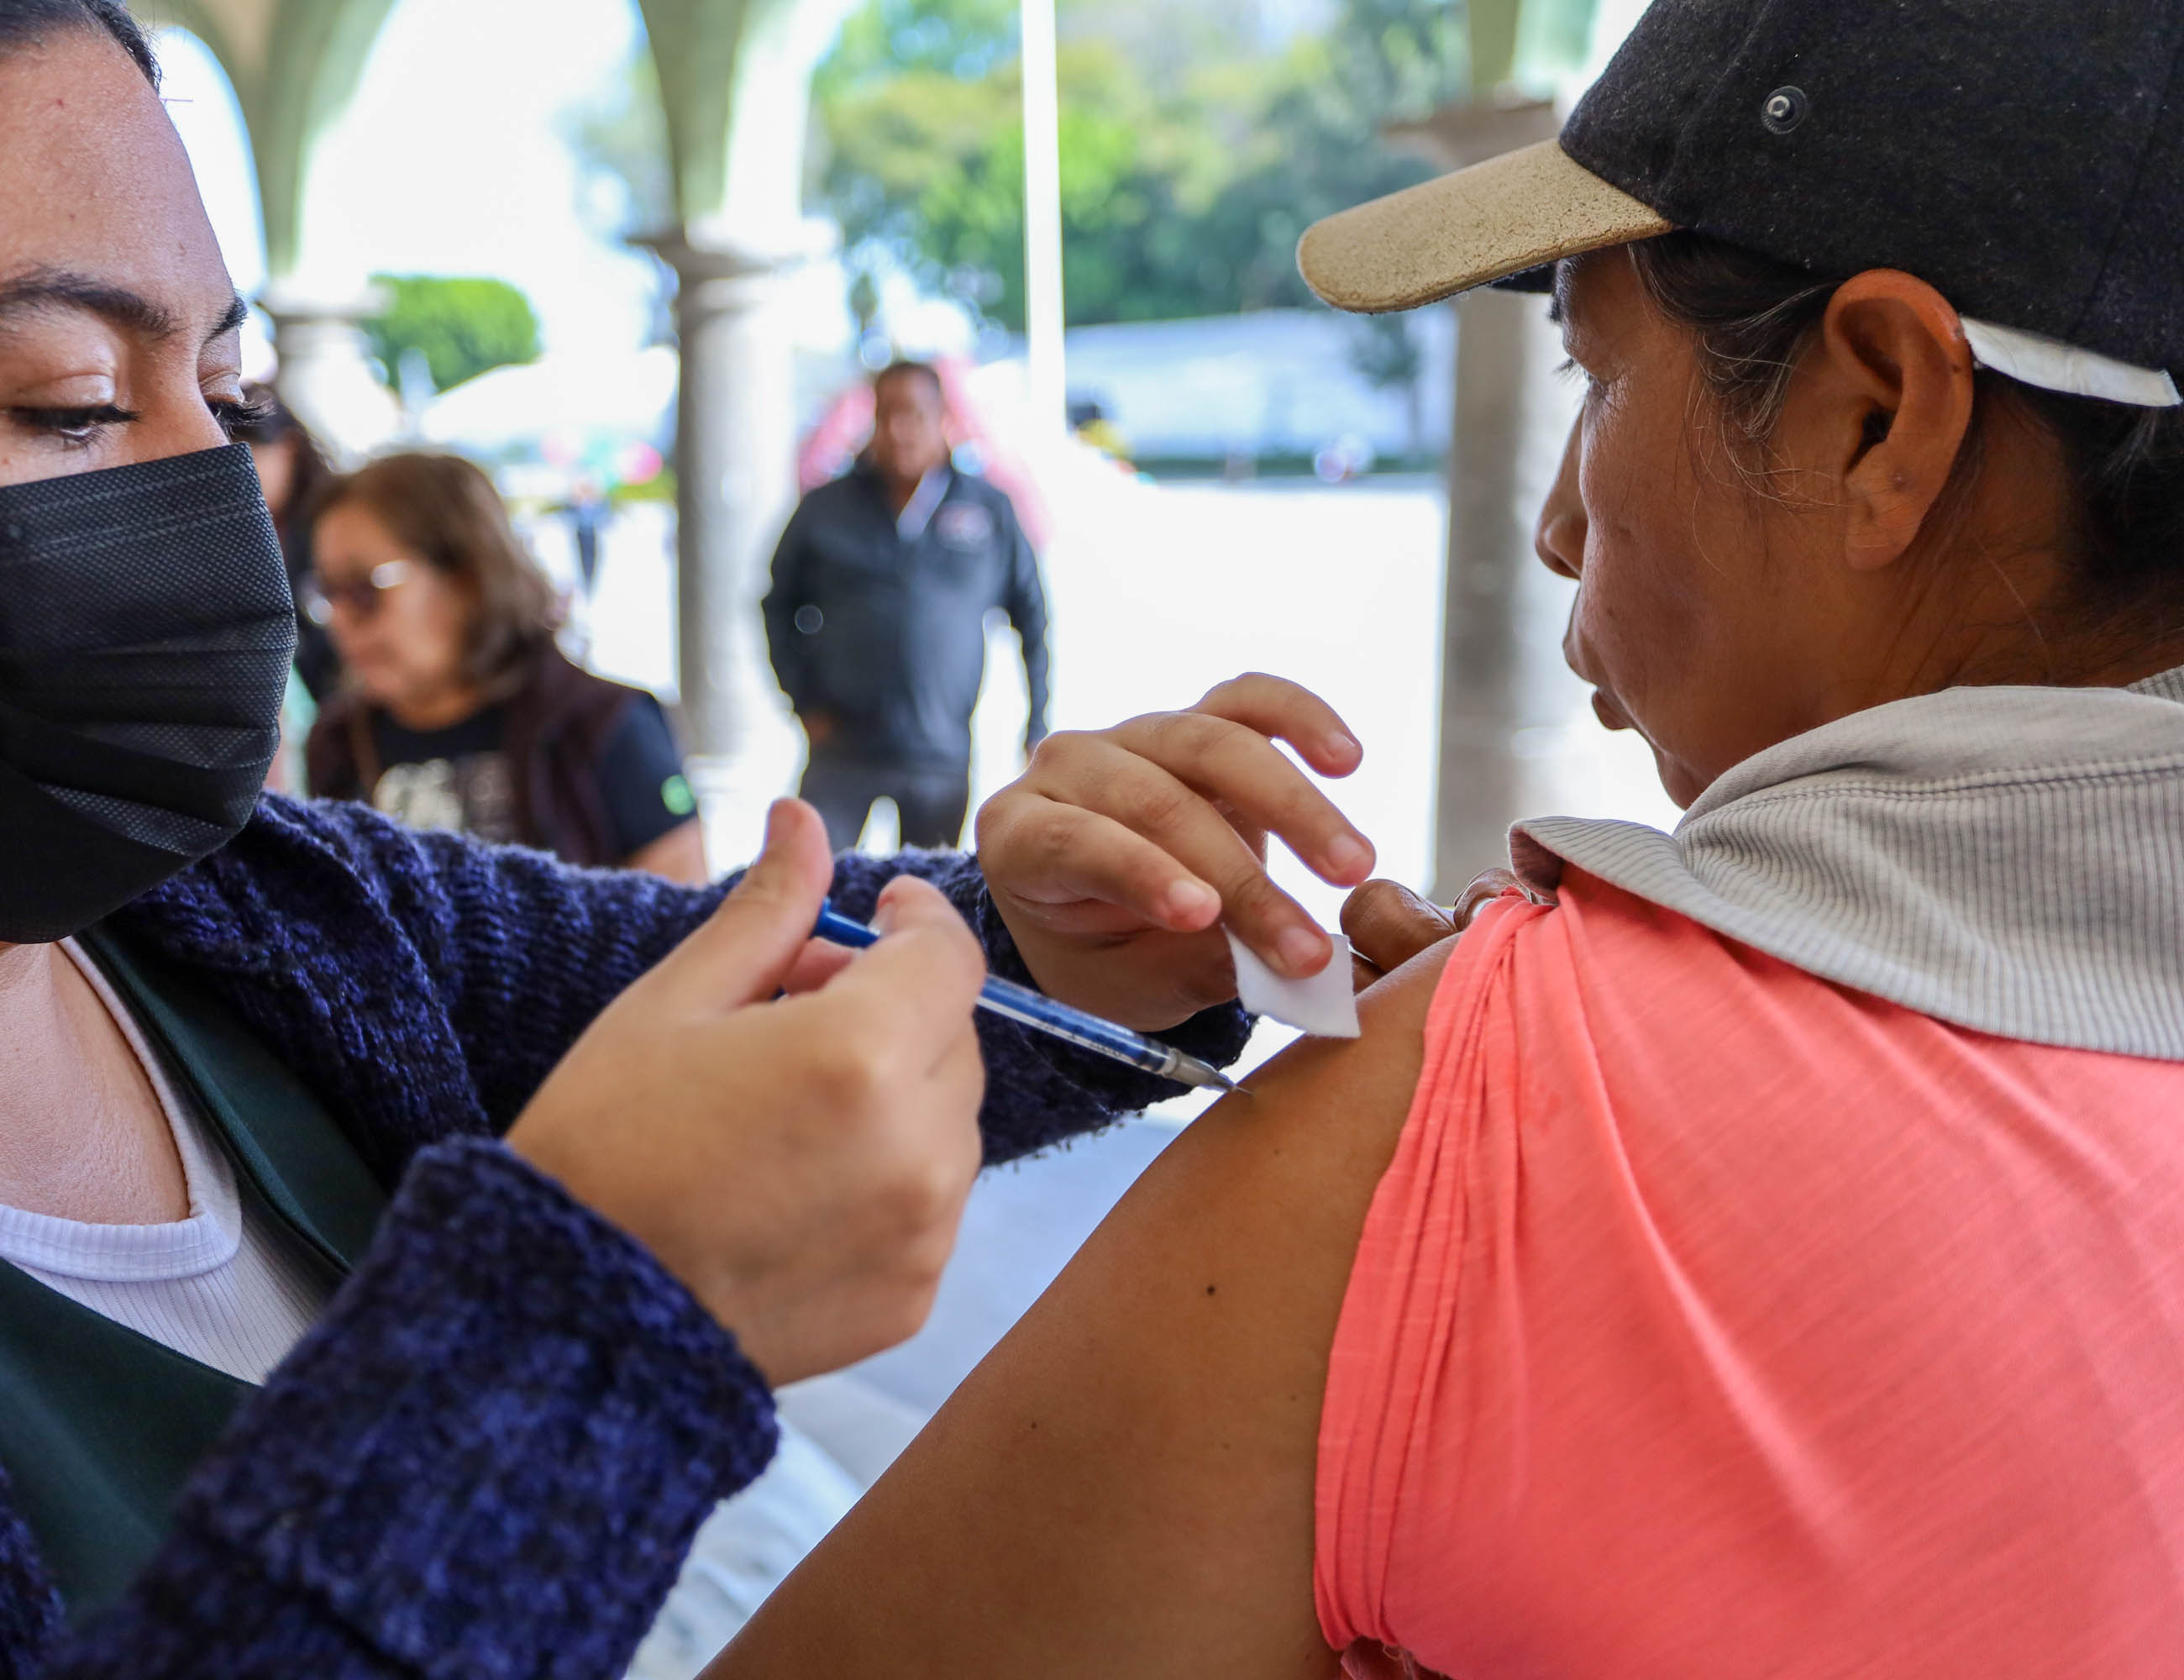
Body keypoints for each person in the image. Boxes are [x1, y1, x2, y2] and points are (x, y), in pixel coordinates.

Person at [0, 7, 1377, 1675]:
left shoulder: (270, 915)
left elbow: (718, 977)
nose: (222, 505)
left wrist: (1043, 937)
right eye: (70, 402)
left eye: (230, 391)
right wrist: (588, 1336)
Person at [705, 3, 2184, 1675]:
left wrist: (1497, 1105)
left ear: (1879, 415)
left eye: (1599, 376)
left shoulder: (1487, 1094)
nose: (1557, 524)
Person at [299, 451, 706, 881]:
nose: (339, 621)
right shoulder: (337, 743)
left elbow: (687, 919)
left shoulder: (605, 724)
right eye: (328, 592)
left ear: (467, 577)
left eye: (364, 589)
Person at [763, 360, 1051, 850]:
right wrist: (802, 699)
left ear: (944, 420)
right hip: (841, 750)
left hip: (938, 757)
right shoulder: (826, 508)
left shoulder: (988, 510)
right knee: (808, 882)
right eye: (887, 415)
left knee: (927, 898)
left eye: (915, 415)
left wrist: (1037, 723)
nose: (900, 431)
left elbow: (1032, 617)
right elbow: (777, 604)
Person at [242, 384, 340, 703]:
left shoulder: (331, 523)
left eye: (250, 453)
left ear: (289, 448)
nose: (240, 473)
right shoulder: (237, 540)